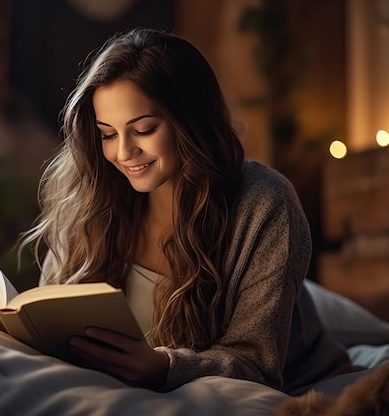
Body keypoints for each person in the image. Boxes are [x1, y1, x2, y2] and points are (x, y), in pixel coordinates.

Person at [19, 27, 363, 394]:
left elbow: (258, 363)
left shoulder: (264, 203)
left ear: (191, 121)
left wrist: (166, 366)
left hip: (308, 385)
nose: (123, 152)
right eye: (107, 133)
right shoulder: (92, 200)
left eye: (144, 129)